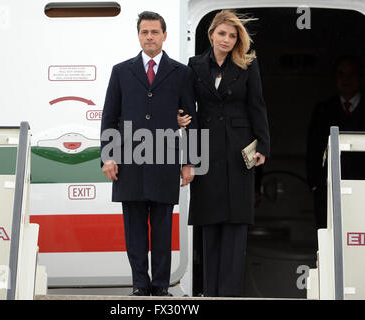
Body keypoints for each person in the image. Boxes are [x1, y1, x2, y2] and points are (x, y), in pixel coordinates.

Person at [100, 11, 197, 296]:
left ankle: (161, 287)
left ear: (164, 35)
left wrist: (190, 162)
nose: (150, 37)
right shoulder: (121, 71)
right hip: (129, 164)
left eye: (155, 32)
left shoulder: (181, 73)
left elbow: (190, 119)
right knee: (135, 232)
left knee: (164, 231)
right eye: (145, 32)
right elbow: (109, 116)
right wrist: (107, 156)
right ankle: (140, 286)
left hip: (166, 162)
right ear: (139, 35)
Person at [179, 10, 270, 297]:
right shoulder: (194, 66)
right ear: (211, 34)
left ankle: (229, 293)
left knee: (235, 225)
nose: (227, 39)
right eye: (222, 33)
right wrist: (189, 159)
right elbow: (189, 112)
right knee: (210, 223)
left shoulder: (247, 64)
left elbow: (258, 106)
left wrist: (263, 146)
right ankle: (211, 292)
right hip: (206, 152)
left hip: (238, 151)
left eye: (233, 35)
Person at [306, 55, 365, 230]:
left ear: (360, 78)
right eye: (341, 74)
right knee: (329, 239)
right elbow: (313, 149)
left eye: (351, 74)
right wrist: (315, 184)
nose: (346, 80)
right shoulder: (323, 109)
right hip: (329, 189)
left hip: (362, 186)